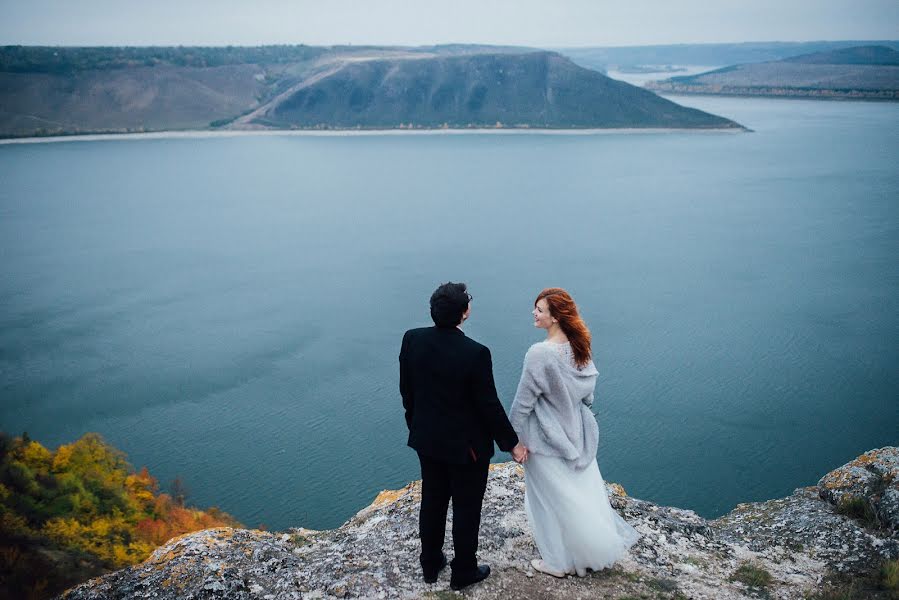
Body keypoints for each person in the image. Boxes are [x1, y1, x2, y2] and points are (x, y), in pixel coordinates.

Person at [400, 282, 529, 590]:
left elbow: (407, 391)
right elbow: (488, 405)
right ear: (465, 313)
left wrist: (415, 425)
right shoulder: (475, 353)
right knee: (466, 508)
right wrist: (512, 443)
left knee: (432, 501)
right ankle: (463, 572)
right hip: (466, 449)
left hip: (427, 440)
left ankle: (430, 564)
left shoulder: (412, 340)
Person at [510, 287, 640, 578]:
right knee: (578, 496)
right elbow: (588, 396)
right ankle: (585, 553)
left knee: (546, 501)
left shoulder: (539, 354)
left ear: (555, 317)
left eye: (540, 310)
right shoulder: (579, 346)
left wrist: (512, 440)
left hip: (545, 439)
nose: (534, 313)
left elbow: (523, 403)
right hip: (577, 434)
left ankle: (556, 562)